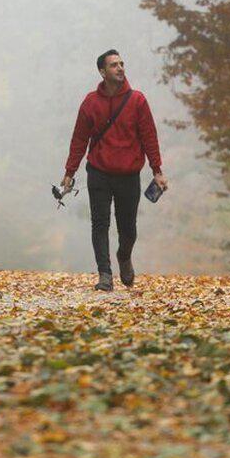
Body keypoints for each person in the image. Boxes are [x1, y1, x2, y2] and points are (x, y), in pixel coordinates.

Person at [60, 49, 167, 291]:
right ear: (102, 72)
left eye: (121, 64)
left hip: (129, 174)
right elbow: (79, 140)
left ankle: (124, 256)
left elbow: (149, 137)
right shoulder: (90, 102)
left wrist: (157, 170)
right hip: (98, 172)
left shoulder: (137, 101)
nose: (120, 68)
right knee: (100, 223)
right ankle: (105, 275)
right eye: (114, 65)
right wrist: (70, 172)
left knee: (128, 228)